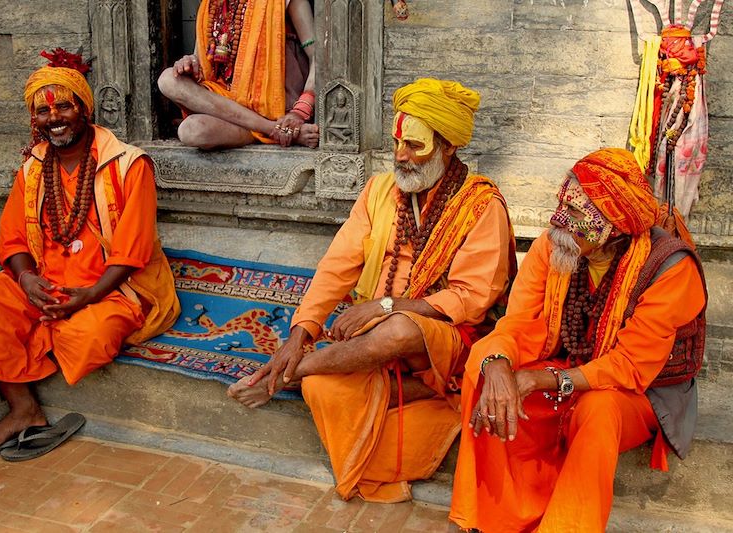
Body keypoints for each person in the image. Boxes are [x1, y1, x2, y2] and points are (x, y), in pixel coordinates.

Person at [228, 78, 516, 503]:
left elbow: (472, 297)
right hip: (372, 337)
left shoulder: (481, 205)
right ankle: (361, 380)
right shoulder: (379, 190)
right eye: (398, 142)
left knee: (398, 330)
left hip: (441, 339)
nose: (401, 155)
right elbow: (337, 266)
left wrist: (385, 306)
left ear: (448, 146)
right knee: (325, 387)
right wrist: (300, 333)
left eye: (415, 146)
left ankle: (290, 374)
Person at [448, 148, 707, 532]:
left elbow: (631, 366)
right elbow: (518, 323)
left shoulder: (670, 268)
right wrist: (498, 363)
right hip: (564, 365)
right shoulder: (553, 245)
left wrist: (543, 379)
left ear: (614, 227)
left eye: (575, 216)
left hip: (639, 391)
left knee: (597, 410)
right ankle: (490, 517)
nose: (557, 222)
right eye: (560, 206)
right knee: (486, 368)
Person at [0, 49, 180, 461]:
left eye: (63, 106)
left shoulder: (129, 165)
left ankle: (24, 346)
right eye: (42, 111)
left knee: (88, 335)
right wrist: (26, 280)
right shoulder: (32, 168)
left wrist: (86, 297)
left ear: (83, 108)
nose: (53, 118)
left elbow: (133, 250)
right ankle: (25, 409)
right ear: (32, 119)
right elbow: (12, 239)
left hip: (110, 288)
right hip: (43, 283)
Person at [157, 0, 319, 149]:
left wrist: (300, 110)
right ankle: (274, 131)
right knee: (168, 80)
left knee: (192, 129)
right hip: (225, 103)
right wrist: (188, 63)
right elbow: (200, 61)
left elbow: (318, 58)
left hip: (272, 110)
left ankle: (276, 128)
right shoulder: (211, 5)